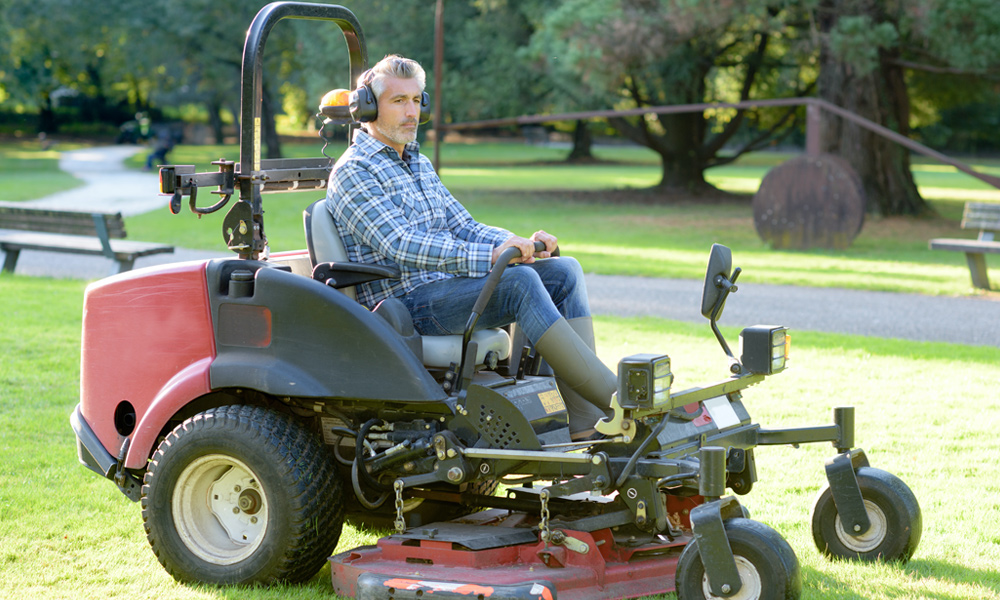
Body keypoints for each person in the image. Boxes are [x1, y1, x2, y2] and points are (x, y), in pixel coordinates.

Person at [325, 55, 615, 439]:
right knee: (520, 284)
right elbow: (399, 244)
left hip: (445, 294)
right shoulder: (353, 170)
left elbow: (463, 225)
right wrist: (491, 258)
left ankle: (586, 424)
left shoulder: (417, 163)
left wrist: (518, 244)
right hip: (405, 306)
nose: (411, 111)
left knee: (564, 271)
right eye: (399, 101)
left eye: (417, 100)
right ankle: (620, 402)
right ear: (368, 107)